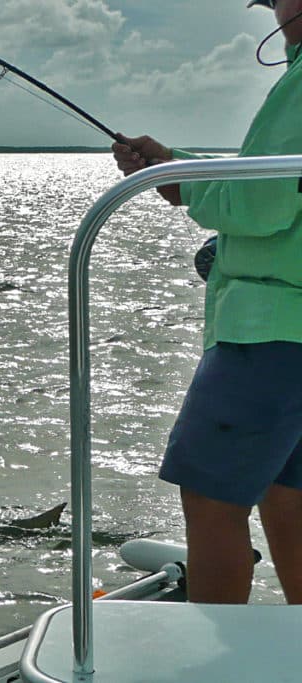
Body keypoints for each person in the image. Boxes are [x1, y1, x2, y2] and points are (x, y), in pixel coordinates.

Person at [111, 0, 302, 604]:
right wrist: (179, 167)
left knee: (212, 497)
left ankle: (216, 662)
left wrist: (181, 182)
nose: (278, 8)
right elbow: (268, 177)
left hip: (270, 332)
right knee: (287, 494)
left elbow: (264, 204)